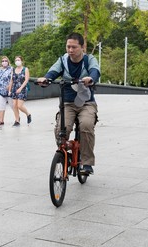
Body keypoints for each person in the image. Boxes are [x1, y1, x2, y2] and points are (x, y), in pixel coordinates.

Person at [37, 33, 100, 175]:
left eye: (74, 47)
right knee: (61, 129)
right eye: (68, 46)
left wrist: (91, 78)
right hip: (67, 103)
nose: (70, 50)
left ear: (82, 47)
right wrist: (46, 79)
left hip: (86, 103)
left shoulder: (89, 59)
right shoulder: (63, 60)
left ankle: (87, 163)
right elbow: (53, 72)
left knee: (86, 125)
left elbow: (95, 71)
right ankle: (64, 155)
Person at [10, 56, 32, 127]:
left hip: (22, 88)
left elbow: (26, 80)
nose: (17, 61)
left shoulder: (25, 69)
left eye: (18, 60)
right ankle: (17, 120)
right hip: (14, 89)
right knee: (14, 105)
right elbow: (11, 80)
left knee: (19, 105)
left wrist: (21, 88)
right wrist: (9, 90)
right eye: (16, 60)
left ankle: (28, 114)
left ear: (22, 61)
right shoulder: (13, 70)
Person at [0, 56, 14, 126]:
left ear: (8, 62)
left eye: (6, 61)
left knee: (12, 105)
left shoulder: (11, 69)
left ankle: (17, 119)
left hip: (9, 90)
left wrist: (10, 87)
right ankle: (1, 120)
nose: (4, 62)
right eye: (3, 61)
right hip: (0, 90)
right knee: (1, 105)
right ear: (1, 62)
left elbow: (12, 79)